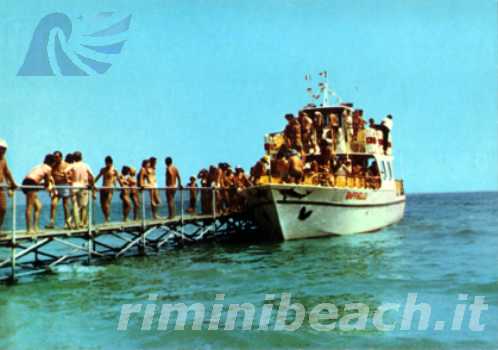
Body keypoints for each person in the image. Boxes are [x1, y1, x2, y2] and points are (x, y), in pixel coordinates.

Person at [23, 154, 56, 233]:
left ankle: (36, 227)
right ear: (53, 162)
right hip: (31, 183)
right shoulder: (48, 168)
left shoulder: (39, 166)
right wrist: (50, 188)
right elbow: (47, 183)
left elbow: (34, 176)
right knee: (29, 207)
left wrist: (42, 184)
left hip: (27, 182)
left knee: (38, 206)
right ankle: (29, 229)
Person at [69, 151, 94, 228]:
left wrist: (68, 180)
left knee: (75, 205)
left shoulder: (72, 165)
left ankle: (74, 223)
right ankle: (82, 223)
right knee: (83, 206)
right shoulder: (85, 165)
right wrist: (92, 184)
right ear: (81, 157)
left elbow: (65, 172)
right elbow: (92, 175)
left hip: (74, 185)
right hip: (83, 185)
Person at [47, 151, 72, 229]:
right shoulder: (53, 165)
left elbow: (71, 176)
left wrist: (63, 176)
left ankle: (67, 222)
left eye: (57, 157)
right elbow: (50, 175)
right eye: (55, 157)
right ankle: (52, 222)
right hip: (56, 186)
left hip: (64, 185)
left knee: (65, 205)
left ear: (61, 157)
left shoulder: (67, 165)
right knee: (53, 204)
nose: (56, 158)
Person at [94, 156, 121, 223]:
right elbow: (97, 177)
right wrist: (92, 183)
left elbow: (118, 179)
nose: (107, 164)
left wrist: (121, 187)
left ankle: (107, 218)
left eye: (108, 163)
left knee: (107, 204)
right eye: (106, 163)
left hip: (110, 188)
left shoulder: (114, 170)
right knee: (102, 204)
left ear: (111, 163)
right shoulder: (103, 169)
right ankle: (106, 217)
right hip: (103, 188)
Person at [0, 139, 17, 232]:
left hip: (1, 187)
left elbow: (7, 172)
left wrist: (12, 183)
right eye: (2, 149)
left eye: (4, 149)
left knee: (2, 209)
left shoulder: (3, 160)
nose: (3, 151)